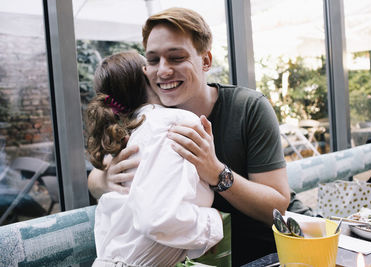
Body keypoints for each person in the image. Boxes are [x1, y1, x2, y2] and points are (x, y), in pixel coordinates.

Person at [88, 8, 291, 265]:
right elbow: (96, 177)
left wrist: (216, 173)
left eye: (176, 58)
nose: (162, 71)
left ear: (205, 61)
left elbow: (277, 206)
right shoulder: (145, 121)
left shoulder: (249, 108)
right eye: (153, 60)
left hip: (260, 254)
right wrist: (106, 178)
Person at [86, 50, 223, 267]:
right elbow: (157, 219)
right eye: (151, 63)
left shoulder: (131, 137)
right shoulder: (174, 122)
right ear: (147, 77)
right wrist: (213, 221)